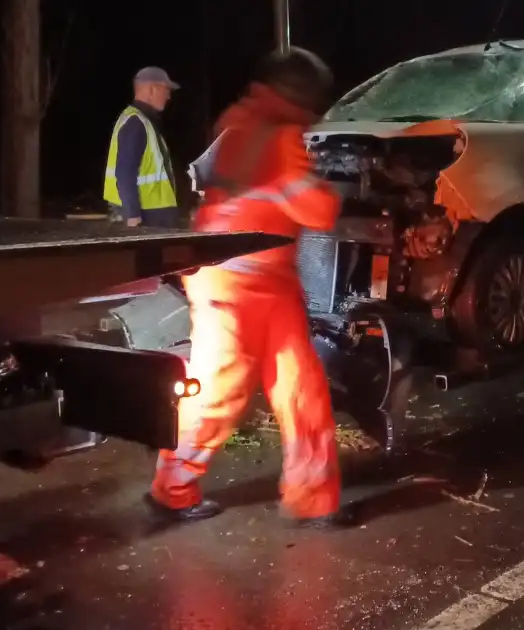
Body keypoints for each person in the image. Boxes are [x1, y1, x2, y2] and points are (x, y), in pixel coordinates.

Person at [146, 47, 357, 530]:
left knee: (300, 387)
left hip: (253, 277)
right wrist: (338, 191)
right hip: (237, 281)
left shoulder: (237, 121)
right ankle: (170, 490)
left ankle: (314, 498)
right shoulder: (281, 137)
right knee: (222, 392)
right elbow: (316, 211)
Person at [102, 67, 182, 228]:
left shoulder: (143, 122)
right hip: (147, 218)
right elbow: (124, 172)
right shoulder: (136, 123)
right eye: (166, 90)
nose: (168, 96)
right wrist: (133, 216)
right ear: (152, 89)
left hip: (152, 216)